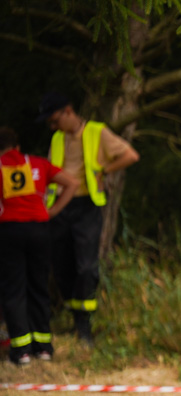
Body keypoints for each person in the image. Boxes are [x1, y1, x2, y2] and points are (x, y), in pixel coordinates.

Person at [37, 93, 140, 346]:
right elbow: (51, 171)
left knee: (86, 267)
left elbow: (130, 155)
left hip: (86, 206)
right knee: (61, 266)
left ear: (68, 111)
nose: (53, 126)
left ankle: (84, 324)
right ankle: (72, 318)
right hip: (60, 207)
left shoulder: (97, 132)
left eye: (54, 120)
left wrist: (103, 171)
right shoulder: (58, 139)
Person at [0, 127, 78, 365]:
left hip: (10, 230)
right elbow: (72, 183)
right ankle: (44, 347)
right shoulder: (38, 163)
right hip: (40, 230)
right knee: (38, 286)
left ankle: (21, 351)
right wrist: (52, 210)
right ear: (17, 146)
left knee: (14, 289)